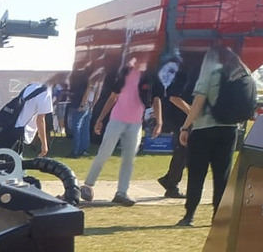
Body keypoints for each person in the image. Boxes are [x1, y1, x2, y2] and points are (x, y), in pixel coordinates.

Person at [79, 55, 161, 206]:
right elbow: (112, 97)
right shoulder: (124, 72)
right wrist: (101, 119)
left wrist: (159, 122)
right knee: (104, 153)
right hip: (117, 119)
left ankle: (122, 192)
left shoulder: (150, 76)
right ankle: (88, 185)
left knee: (129, 159)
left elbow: (157, 98)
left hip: (135, 123)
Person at [176, 44, 243, 227]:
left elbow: (199, 101)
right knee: (222, 175)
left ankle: (189, 215)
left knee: (197, 173)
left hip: (205, 128)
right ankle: (218, 217)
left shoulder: (210, 67)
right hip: (229, 129)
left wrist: (185, 127)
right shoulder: (237, 68)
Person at [154, 53, 190, 200]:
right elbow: (174, 97)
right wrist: (192, 112)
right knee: (182, 153)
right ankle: (171, 184)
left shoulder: (184, 75)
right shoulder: (183, 76)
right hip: (180, 120)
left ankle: (170, 181)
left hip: (183, 119)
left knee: (183, 154)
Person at [0, 81, 52, 157]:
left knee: (1, 159)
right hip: (20, 131)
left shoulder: (30, 87)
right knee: (13, 164)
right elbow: (40, 120)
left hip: (9, 126)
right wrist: (44, 144)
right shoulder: (45, 92)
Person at [65, 65, 92, 157]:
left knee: (76, 128)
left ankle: (76, 151)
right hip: (86, 104)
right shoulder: (88, 76)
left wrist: (82, 103)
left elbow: (86, 90)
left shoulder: (75, 76)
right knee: (85, 128)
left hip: (78, 104)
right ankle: (84, 149)